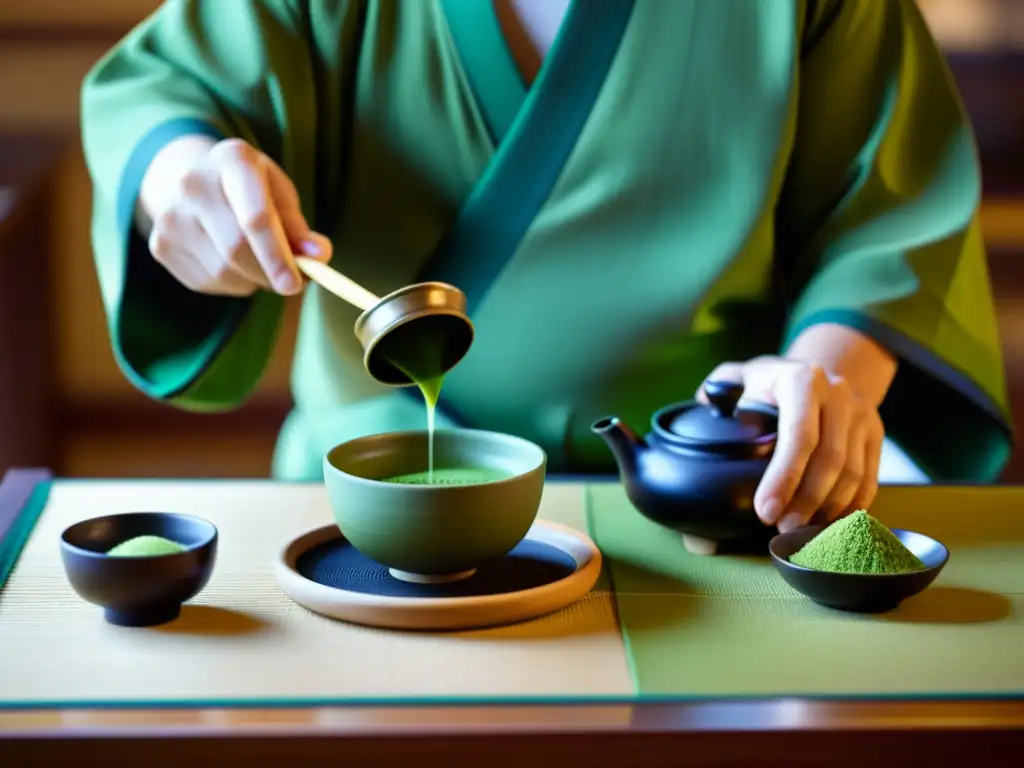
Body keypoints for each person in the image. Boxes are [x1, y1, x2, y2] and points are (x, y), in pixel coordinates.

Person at [81, 0, 1011, 538]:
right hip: (372, 503)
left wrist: (821, 387)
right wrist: (181, 180)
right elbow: (166, 91)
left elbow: (890, 212)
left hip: (713, 508)